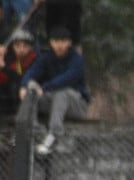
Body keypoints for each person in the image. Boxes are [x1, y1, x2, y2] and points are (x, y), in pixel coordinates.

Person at [19, 25, 89, 155]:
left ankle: (54, 136)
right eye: (56, 41)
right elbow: (31, 73)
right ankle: (35, 133)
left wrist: (44, 88)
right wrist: (24, 86)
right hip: (53, 101)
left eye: (63, 41)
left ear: (69, 43)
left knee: (62, 92)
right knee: (31, 91)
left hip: (77, 104)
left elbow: (66, 79)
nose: (59, 45)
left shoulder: (76, 59)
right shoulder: (47, 58)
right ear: (51, 42)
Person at [0, 27, 36, 145]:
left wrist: (3, 66)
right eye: (17, 46)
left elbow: (21, 79)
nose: (21, 50)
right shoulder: (10, 59)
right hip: (8, 100)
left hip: (27, 99)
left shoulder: (35, 59)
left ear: (31, 47)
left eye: (25, 46)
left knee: (16, 87)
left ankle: (17, 131)